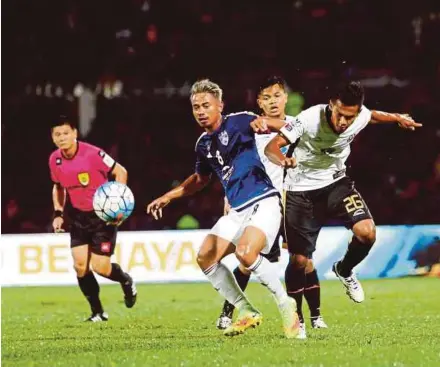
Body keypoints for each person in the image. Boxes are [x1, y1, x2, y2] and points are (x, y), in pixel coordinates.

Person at [146, 79, 300, 338]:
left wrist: (269, 124)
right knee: (205, 256)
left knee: (246, 254)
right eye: (196, 107)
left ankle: (287, 305)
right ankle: (246, 310)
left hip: (264, 200)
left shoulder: (240, 121)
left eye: (206, 105)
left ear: (220, 105)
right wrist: (169, 196)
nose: (201, 111)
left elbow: (291, 126)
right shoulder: (203, 145)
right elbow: (199, 180)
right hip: (237, 210)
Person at [264, 81, 422, 316]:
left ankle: (345, 269)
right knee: (299, 260)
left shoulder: (358, 115)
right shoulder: (309, 119)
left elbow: (373, 116)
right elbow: (271, 147)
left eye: (350, 117)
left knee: (367, 233)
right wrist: (283, 160)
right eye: (340, 115)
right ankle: (294, 318)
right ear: (331, 105)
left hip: (336, 183)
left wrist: (398, 117)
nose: (343, 122)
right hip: (300, 190)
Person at [215, 76, 327, 339]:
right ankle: (227, 312)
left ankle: (316, 316)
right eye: (266, 98)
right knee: (245, 261)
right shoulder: (249, 129)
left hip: (291, 201)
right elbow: (233, 167)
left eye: (277, 96)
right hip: (257, 202)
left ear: (286, 98)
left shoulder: (296, 126)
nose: (272, 102)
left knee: (303, 259)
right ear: (258, 102)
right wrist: (228, 197)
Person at [49, 116, 137, 322]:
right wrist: (58, 213)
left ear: (75, 134)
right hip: (78, 217)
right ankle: (98, 312)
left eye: (65, 133)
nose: (62, 138)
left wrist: (119, 203)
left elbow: (120, 171)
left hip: (102, 217)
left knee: (101, 268)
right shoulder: (55, 159)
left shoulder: (93, 154)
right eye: (57, 134)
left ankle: (125, 281)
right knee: (80, 266)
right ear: (53, 138)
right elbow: (58, 186)